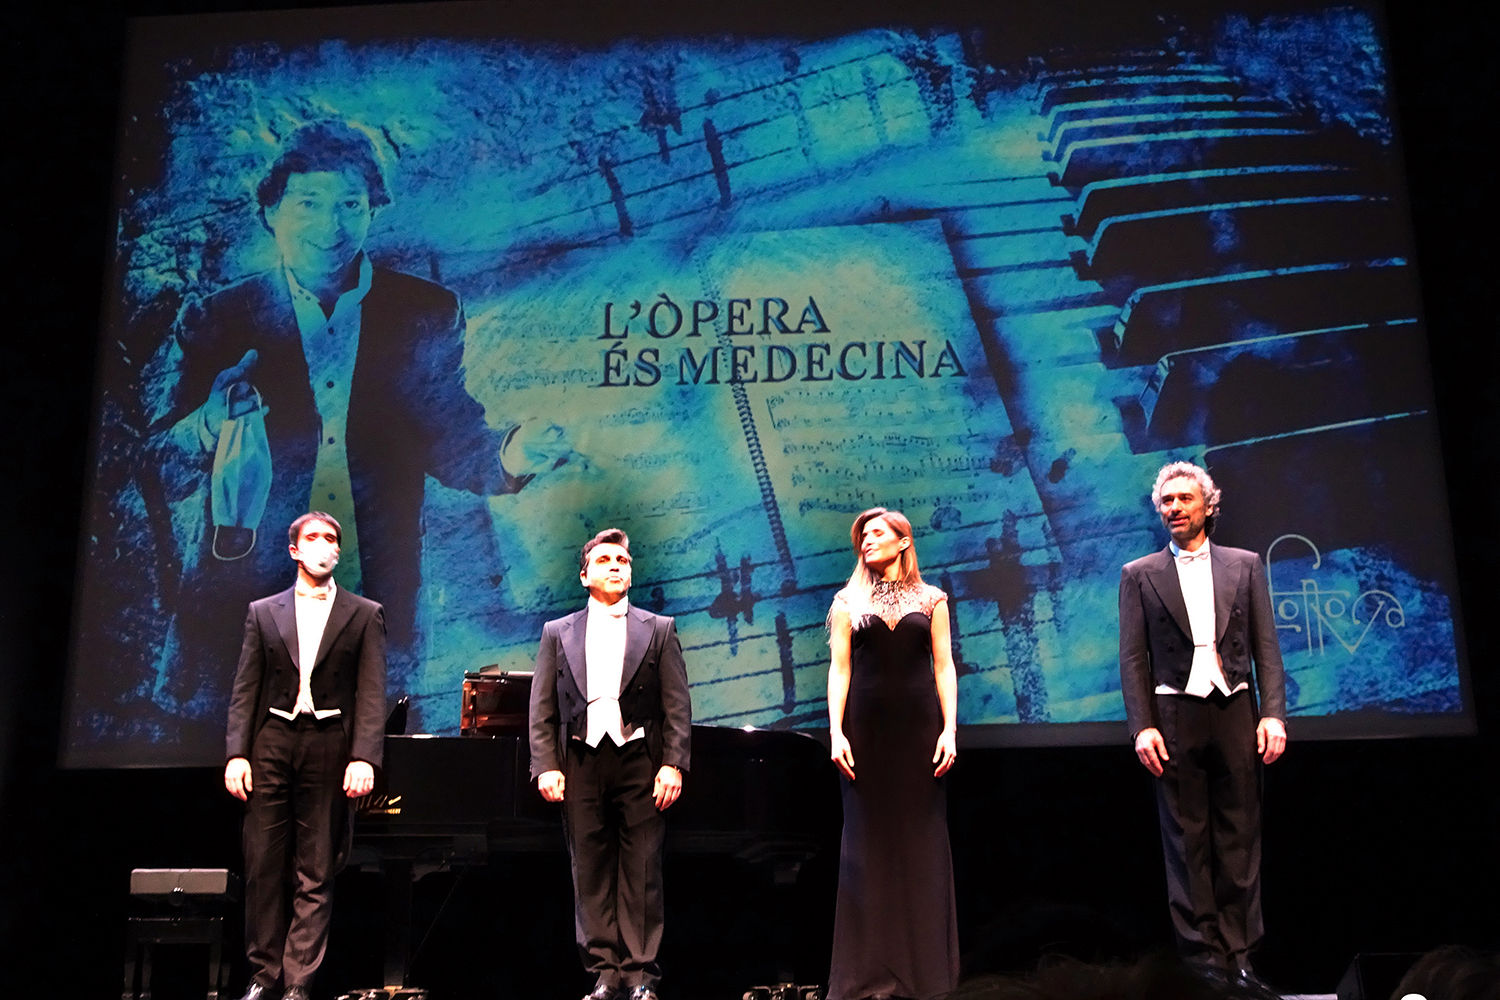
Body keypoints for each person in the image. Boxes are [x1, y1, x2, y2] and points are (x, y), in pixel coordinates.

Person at [144, 117, 570, 722]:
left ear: (373, 210)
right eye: (308, 203)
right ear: (271, 210)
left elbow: (450, 437)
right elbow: (157, 469)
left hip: (375, 601)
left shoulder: (424, 311)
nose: (330, 225)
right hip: (241, 608)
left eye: (350, 204)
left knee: (372, 766)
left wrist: (517, 449)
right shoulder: (218, 319)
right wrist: (206, 426)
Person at [1118, 462, 1287, 984]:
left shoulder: (1244, 564)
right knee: (1186, 838)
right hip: (1174, 713)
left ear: (1207, 506)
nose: (1174, 508)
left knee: (1239, 833)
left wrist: (1273, 714)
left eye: (1184, 499)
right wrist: (1142, 725)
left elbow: (1265, 646)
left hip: (1234, 707)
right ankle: (1203, 960)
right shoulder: (1139, 573)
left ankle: (1240, 957)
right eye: (1166, 501)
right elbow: (1133, 658)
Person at [223, 512, 386, 1000]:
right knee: (263, 863)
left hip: (329, 742)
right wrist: (237, 753)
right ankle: (262, 975)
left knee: (316, 867)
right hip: (272, 739)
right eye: (313, 537)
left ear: (339, 550)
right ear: (294, 550)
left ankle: (298, 983)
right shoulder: (263, 611)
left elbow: (372, 691)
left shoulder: (364, 613)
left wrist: (364, 757)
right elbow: (245, 688)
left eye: (331, 538)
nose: (323, 545)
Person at [528, 528, 693, 1000]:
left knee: (643, 869)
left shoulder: (658, 628)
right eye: (604, 560)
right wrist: (546, 764)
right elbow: (542, 707)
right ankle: (604, 973)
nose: (616, 565)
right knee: (590, 869)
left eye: (622, 560)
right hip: (579, 760)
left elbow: (677, 704)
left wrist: (673, 764)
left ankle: (640, 975)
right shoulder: (557, 632)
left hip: (640, 760)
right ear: (584, 576)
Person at [826, 507, 960, 1000]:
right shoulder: (848, 601)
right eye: (862, 536)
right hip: (865, 735)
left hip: (919, 733)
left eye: (877, 533)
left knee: (921, 845)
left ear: (903, 541)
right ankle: (866, 975)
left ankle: (926, 976)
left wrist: (949, 729)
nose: (866, 541)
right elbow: (840, 670)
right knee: (867, 849)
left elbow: (943, 667)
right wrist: (836, 732)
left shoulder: (933, 599)